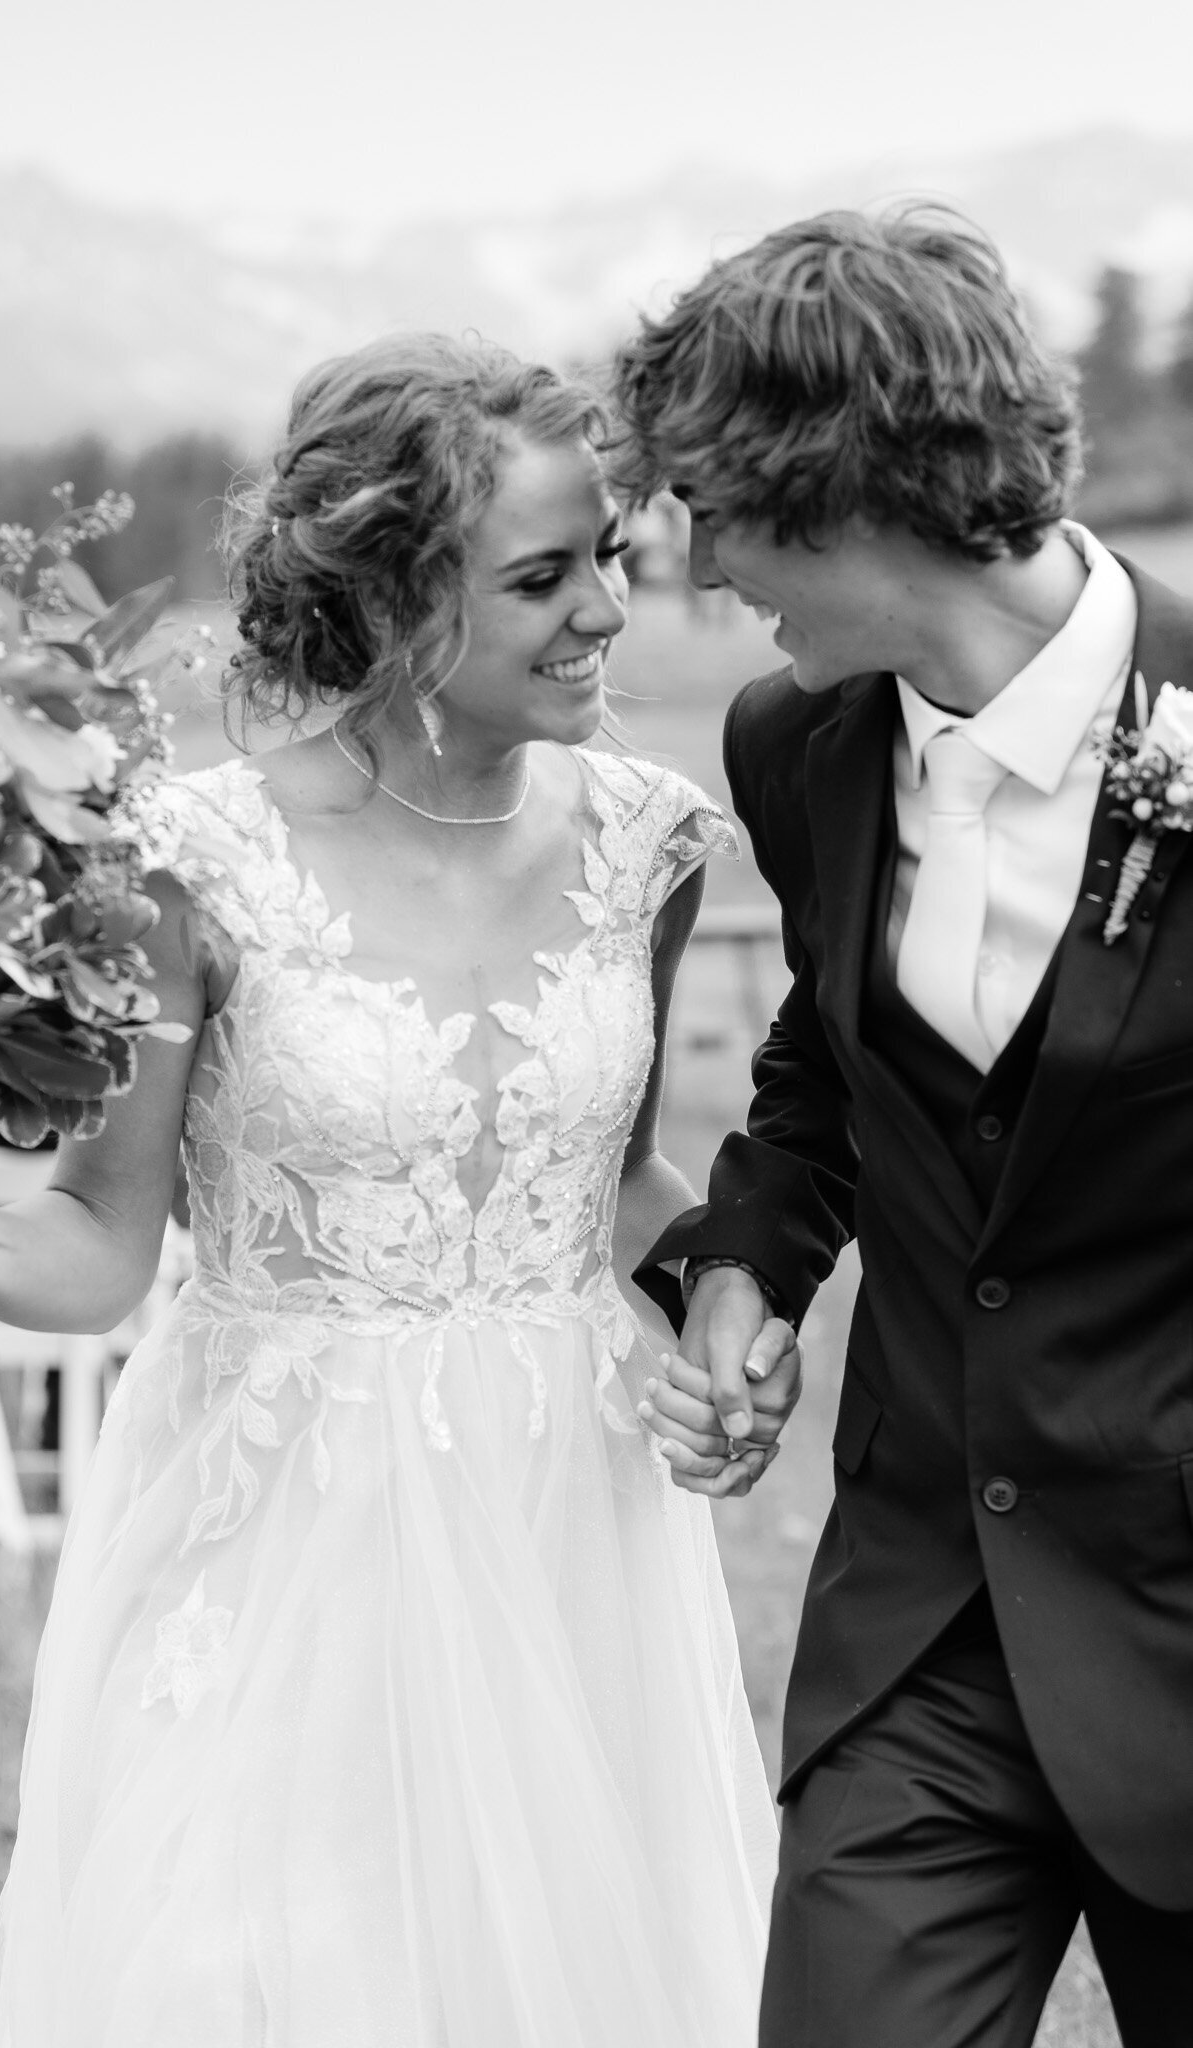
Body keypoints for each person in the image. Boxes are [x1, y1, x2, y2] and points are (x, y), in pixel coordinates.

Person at [0, 334, 783, 2046]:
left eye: (608, 564)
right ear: (394, 595)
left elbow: (618, 1176)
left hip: (568, 1498)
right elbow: (107, 1241)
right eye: (542, 578)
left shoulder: (655, 838)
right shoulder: (196, 863)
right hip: (284, 1507)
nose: (603, 615)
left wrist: (720, 1310)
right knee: (267, 1972)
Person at [613, 207, 1193, 2047]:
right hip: (921, 1629)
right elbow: (823, 1073)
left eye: (710, 507)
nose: (688, 568)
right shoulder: (796, 743)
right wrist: (740, 1269)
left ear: (840, 487)